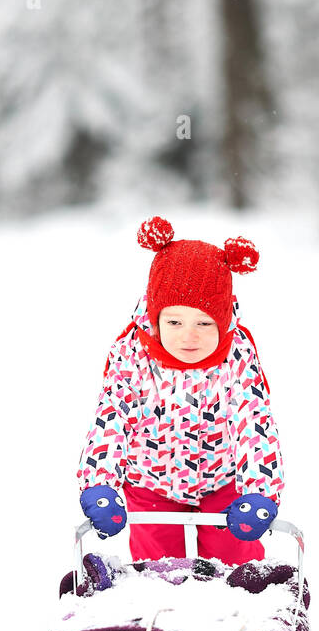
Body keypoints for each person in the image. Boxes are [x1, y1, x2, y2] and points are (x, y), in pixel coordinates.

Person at [75, 215, 285, 566]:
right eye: (174, 322)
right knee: (159, 566)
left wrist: (260, 492)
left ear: (223, 320)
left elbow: (253, 422)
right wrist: (101, 484)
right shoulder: (132, 353)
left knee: (234, 558)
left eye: (204, 323)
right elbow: (111, 418)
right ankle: (163, 612)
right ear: (155, 317)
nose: (189, 336)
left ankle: (239, 607)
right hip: (150, 480)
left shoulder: (236, 355)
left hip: (224, 481)